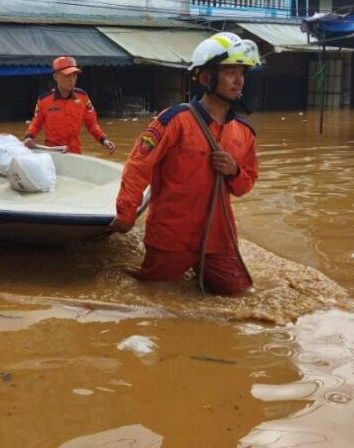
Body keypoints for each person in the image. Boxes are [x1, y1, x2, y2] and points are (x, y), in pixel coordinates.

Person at [109, 32, 261, 296]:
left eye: (242, 73)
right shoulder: (174, 120)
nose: (239, 80)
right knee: (156, 297)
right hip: (171, 237)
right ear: (206, 78)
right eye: (229, 73)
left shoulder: (244, 133)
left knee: (242, 297)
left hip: (219, 238)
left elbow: (244, 185)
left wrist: (233, 171)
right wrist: (126, 212)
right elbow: (138, 164)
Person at [23, 56, 115, 154]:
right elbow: (36, 124)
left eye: (74, 76)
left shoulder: (82, 97)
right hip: (53, 154)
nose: (72, 80)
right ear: (56, 77)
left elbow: (92, 124)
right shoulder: (44, 100)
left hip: (75, 153)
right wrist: (29, 137)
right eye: (67, 76)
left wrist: (104, 140)